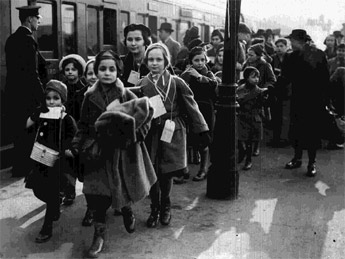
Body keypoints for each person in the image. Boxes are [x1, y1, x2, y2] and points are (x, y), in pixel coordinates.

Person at [72, 50, 156, 258]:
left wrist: (136, 135)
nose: (107, 73)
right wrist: (78, 145)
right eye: (102, 69)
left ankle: (126, 210)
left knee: (121, 189)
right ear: (95, 71)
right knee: (95, 196)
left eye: (111, 69)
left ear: (118, 72)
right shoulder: (89, 97)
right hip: (97, 153)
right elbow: (82, 125)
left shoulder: (126, 94)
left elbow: (147, 114)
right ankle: (99, 235)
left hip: (121, 153)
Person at [138, 43, 209, 228]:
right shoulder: (142, 84)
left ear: (166, 61)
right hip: (150, 132)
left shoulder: (177, 82)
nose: (155, 63)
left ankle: (166, 205)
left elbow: (191, 106)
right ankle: (154, 207)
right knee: (152, 170)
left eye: (158, 59)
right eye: (151, 60)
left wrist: (201, 129)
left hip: (172, 129)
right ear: (146, 62)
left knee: (167, 171)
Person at [25, 80, 77, 243]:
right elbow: (28, 125)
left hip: (58, 162)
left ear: (62, 100)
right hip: (41, 160)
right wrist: (38, 113)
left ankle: (47, 227)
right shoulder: (43, 114)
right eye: (49, 98)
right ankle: (55, 204)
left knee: (51, 192)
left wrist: (69, 149)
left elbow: (74, 137)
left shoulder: (66, 118)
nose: (52, 102)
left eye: (56, 98)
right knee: (38, 190)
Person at [281, 29, 330, 177]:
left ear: (298, 41)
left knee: (311, 132)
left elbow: (324, 79)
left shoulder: (318, 54)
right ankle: (299, 159)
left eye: (292, 41)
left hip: (313, 100)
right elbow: (286, 77)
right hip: (300, 99)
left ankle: (310, 162)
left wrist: (325, 100)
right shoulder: (291, 56)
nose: (291, 43)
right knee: (298, 130)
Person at [4, 5, 45, 177]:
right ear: (29, 19)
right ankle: (26, 168)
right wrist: (42, 98)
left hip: (13, 93)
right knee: (29, 131)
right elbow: (32, 73)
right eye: (37, 18)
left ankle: (18, 167)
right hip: (27, 95)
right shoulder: (29, 40)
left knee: (18, 131)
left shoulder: (11, 39)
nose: (39, 22)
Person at [180, 46, 218, 181]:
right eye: (197, 60)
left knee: (204, 140)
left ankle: (203, 169)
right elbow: (180, 86)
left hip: (205, 110)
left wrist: (200, 77)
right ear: (190, 62)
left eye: (203, 59)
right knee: (189, 139)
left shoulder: (208, 73)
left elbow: (214, 86)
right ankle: (184, 171)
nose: (200, 63)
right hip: (190, 109)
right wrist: (187, 75)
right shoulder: (186, 74)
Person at [59, 54, 88, 205]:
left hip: (79, 128)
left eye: (73, 69)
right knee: (66, 161)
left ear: (79, 71)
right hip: (65, 129)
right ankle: (68, 190)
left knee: (79, 160)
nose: (70, 72)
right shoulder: (61, 88)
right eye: (67, 69)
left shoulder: (84, 88)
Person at [242, 43, 276, 156]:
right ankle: (247, 144)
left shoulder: (265, 65)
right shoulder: (246, 64)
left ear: (258, 55)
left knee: (257, 121)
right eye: (247, 54)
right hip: (247, 94)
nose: (248, 57)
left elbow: (272, 79)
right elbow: (241, 78)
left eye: (251, 55)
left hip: (259, 94)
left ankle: (256, 146)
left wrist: (265, 88)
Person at [236, 67, 268, 170]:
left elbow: (262, 105)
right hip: (242, 117)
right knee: (241, 139)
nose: (256, 79)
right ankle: (242, 154)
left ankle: (248, 160)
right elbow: (237, 101)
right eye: (253, 77)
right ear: (246, 77)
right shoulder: (240, 89)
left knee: (250, 141)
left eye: (258, 77)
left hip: (253, 117)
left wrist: (264, 99)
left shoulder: (259, 91)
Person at [269, 38, 290, 147]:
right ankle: (276, 138)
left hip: (287, 90)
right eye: (277, 46)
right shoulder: (272, 59)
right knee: (276, 115)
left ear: (286, 47)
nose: (279, 48)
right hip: (276, 90)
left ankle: (284, 138)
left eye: (282, 46)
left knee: (286, 115)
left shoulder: (290, 58)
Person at [121, 23, 152, 87]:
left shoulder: (158, 60)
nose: (133, 43)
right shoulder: (121, 62)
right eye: (129, 39)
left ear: (145, 41)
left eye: (137, 39)